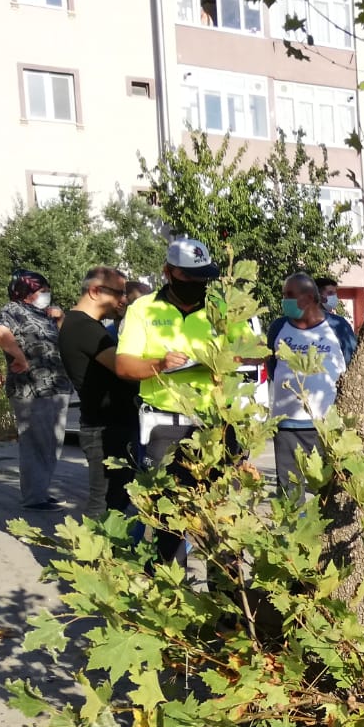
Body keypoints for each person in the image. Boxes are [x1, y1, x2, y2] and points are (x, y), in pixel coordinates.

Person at [115, 236, 244, 562]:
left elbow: (245, 353)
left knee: (222, 518)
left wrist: (217, 359)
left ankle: (226, 606)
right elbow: (124, 365)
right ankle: (173, 600)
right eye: (189, 277)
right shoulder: (142, 309)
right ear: (168, 272)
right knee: (168, 518)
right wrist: (159, 364)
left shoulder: (221, 307)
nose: (198, 283)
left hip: (215, 423)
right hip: (165, 425)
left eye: (203, 277)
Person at [267, 272, 358, 500]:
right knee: (289, 498)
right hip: (286, 427)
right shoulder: (278, 327)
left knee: (329, 496)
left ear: (308, 298)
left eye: (289, 296)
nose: (284, 301)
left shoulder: (338, 328)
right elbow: (273, 367)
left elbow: (351, 368)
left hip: (325, 427)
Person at [58, 266, 139, 515]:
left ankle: (105, 551)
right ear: (95, 291)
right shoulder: (83, 327)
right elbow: (124, 367)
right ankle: (94, 553)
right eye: (118, 293)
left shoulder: (84, 325)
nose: (123, 300)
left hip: (109, 425)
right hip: (105, 429)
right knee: (104, 500)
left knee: (115, 496)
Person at [0, 267, 72, 511]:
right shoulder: (13, 309)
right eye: (41, 291)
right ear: (25, 291)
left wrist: (59, 319)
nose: (45, 294)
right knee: (36, 443)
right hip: (32, 389)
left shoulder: (42, 314)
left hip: (55, 387)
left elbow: (60, 341)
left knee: (51, 443)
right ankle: (34, 498)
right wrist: (19, 357)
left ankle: (40, 492)